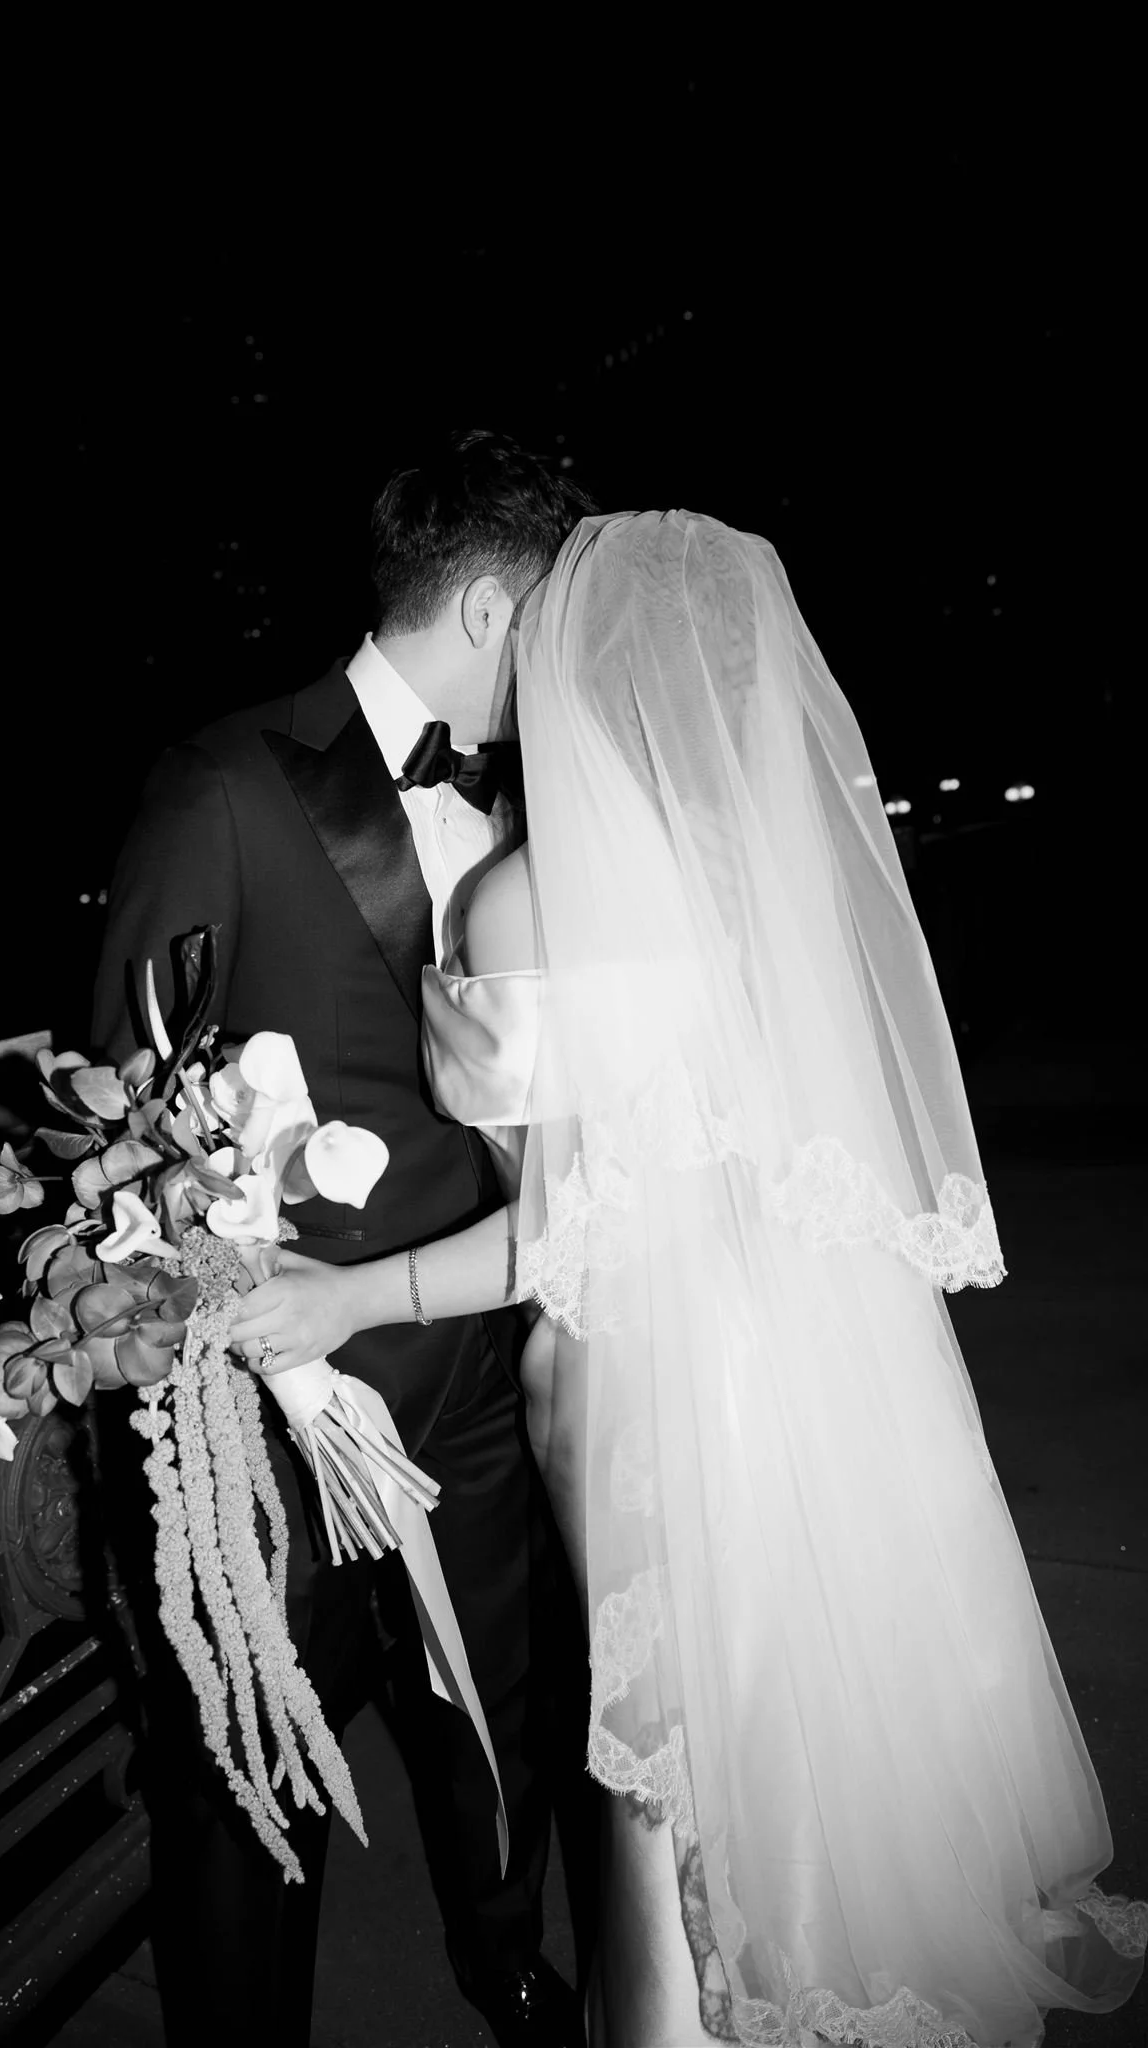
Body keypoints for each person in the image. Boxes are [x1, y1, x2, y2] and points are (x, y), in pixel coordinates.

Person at [228, 509, 1147, 2046]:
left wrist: (345, 1295)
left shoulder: (522, 906)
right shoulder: (748, 883)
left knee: (676, 1764)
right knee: (795, 1710)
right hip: (805, 1344)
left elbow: (572, 1233)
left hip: (643, 1379)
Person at [91, 430, 599, 2048]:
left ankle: (506, 1959)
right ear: (495, 608)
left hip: (484, 1366)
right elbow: (122, 1105)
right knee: (252, 1776)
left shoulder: (541, 801)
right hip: (278, 1415)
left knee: (498, 1719)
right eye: (562, 623)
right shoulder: (226, 778)